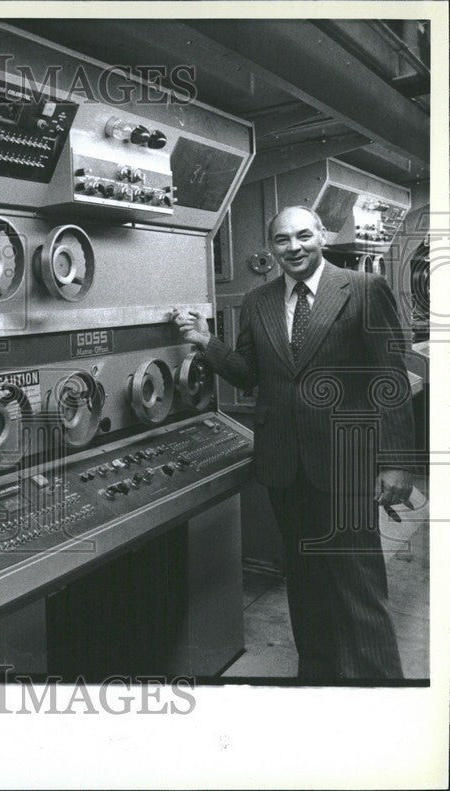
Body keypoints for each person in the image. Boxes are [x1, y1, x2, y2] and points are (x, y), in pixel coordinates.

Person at [173, 205, 415, 681]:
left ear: (321, 235)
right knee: (304, 584)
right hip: (285, 466)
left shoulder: (362, 288)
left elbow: (390, 379)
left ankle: (380, 691)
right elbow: (250, 373)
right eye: (282, 240)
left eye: (303, 236)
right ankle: (318, 678)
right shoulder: (259, 300)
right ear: (271, 248)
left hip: (345, 463)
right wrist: (207, 342)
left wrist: (397, 463)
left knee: (357, 586)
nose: (294, 247)